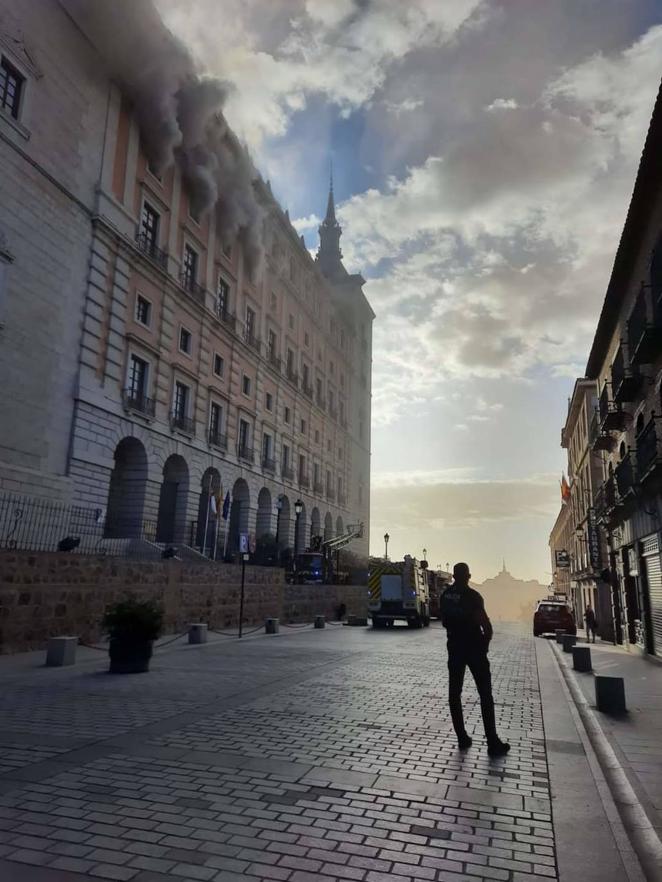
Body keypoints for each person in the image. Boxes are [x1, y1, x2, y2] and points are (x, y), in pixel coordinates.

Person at [440, 562, 510, 757]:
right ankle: (492, 741)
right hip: (474, 649)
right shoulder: (473, 596)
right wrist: (484, 647)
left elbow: (444, 621)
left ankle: (462, 737)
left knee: (454, 693)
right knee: (485, 694)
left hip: (454, 648)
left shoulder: (445, 597)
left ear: (454, 576)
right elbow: (485, 626)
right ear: (468, 576)